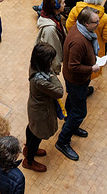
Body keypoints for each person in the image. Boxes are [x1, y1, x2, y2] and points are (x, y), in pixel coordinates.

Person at [55, 7, 102, 161]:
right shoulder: (78, 41)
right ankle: (63, 141)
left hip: (78, 80)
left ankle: (70, 123)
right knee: (80, 112)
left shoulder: (81, 29)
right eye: (95, 22)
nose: (98, 23)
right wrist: (92, 68)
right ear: (86, 24)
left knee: (73, 102)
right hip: (76, 80)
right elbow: (72, 66)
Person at [21, 42, 64, 173]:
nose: (52, 62)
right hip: (40, 112)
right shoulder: (41, 80)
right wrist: (52, 75)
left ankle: (27, 148)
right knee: (36, 135)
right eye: (50, 60)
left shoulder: (35, 67)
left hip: (34, 106)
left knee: (31, 128)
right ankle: (29, 160)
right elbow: (59, 91)